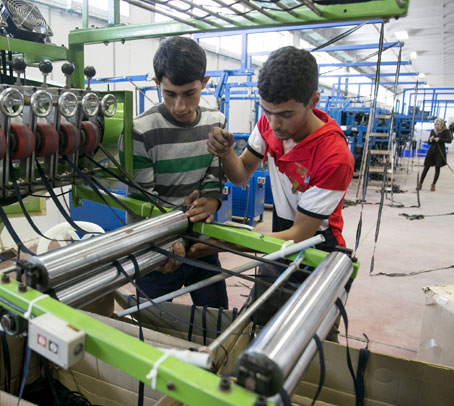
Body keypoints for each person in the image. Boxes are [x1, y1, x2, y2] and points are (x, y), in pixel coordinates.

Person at [203, 46, 354, 336]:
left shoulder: (333, 155)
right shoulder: (269, 124)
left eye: (285, 114)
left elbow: (300, 235)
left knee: (314, 341)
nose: (274, 123)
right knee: (256, 325)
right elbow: (241, 175)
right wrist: (224, 154)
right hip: (279, 235)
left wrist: (225, 243)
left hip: (318, 246)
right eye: (267, 111)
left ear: (313, 101)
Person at [120, 36, 228, 308]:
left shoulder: (216, 121)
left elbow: (214, 175)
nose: (180, 106)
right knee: (149, 329)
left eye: (189, 93)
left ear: (204, 83)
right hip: (156, 250)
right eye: (170, 94)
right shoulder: (140, 131)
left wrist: (212, 200)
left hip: (201, 246)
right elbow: (144, 201)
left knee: (216, 326)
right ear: (157, 85)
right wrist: (169, 239)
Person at [417, 118, 452, 192]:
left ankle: (433, 185)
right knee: (426, 167)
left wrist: (440, 139)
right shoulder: (433, 131)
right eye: (435, 124)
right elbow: (429, 142)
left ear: (441, 125)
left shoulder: (445, 131)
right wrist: (430, 139)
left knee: (437, 168)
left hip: (439, 152)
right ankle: (420, 184)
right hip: (432, 151)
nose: (436, 126)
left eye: (438, 124)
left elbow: (449, 140)